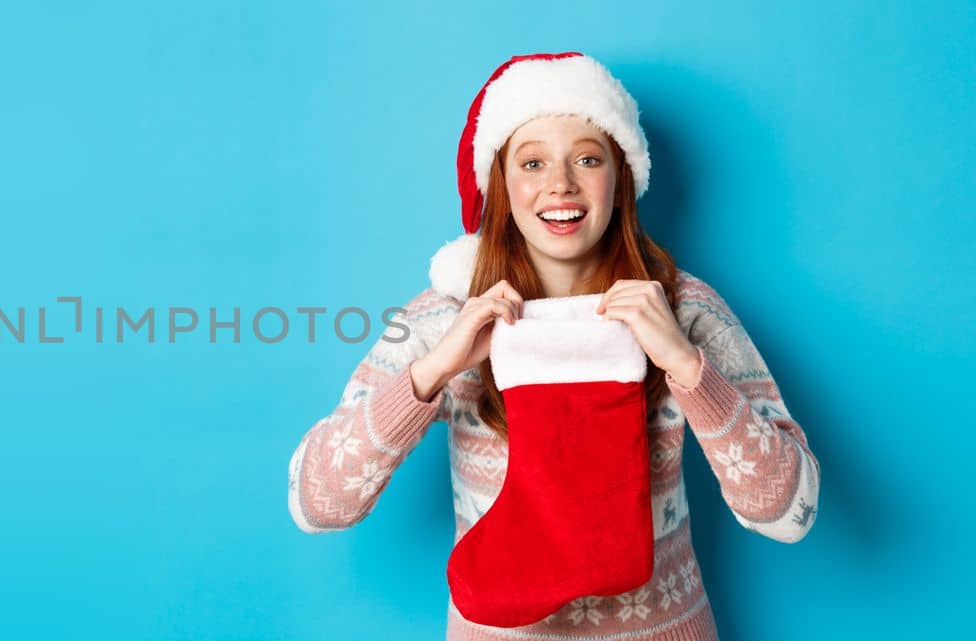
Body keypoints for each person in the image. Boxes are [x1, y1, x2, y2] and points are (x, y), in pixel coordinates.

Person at [285, 52, 821, 640]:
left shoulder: (683, 309)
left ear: (621, 182)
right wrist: (430, 372)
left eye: (587, 159)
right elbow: (317, 503)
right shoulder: (443, 316)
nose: (560, 184)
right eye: (532, 162)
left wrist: (688, 368)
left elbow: (791, 512)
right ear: (502, 186)